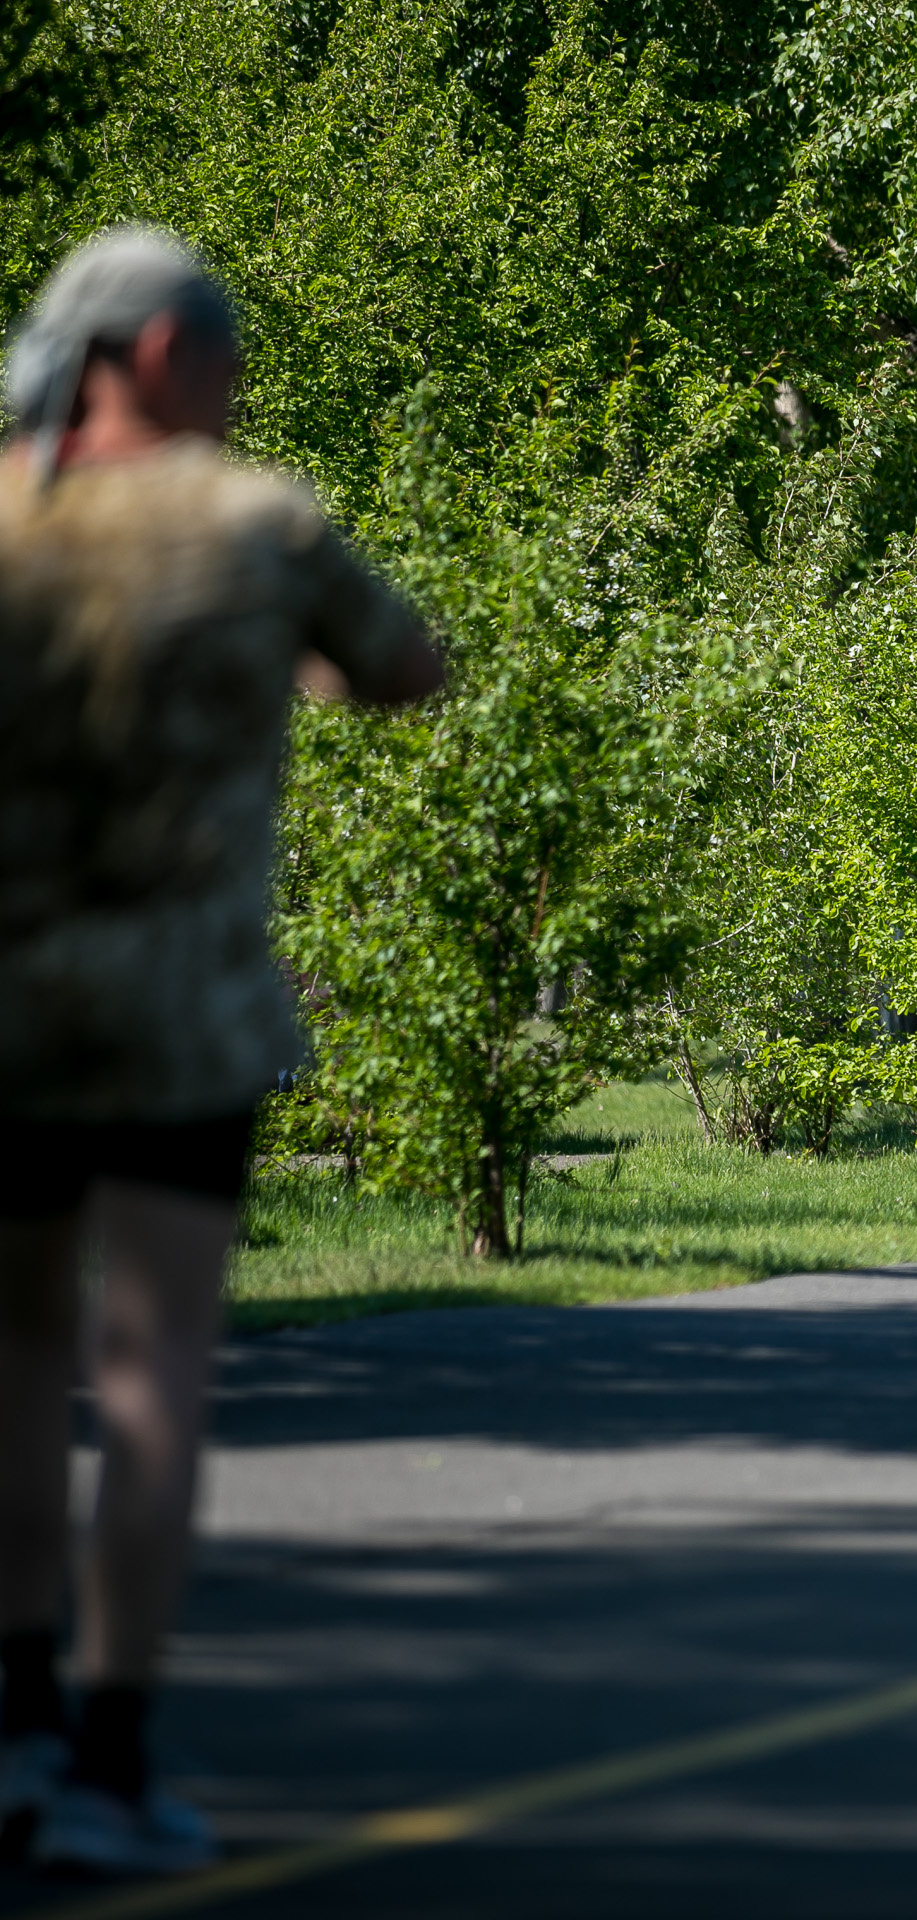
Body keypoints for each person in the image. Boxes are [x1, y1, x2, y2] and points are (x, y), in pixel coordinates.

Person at [0, 226, 444, 1877]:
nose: (241, 378)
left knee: (14, 1360)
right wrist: (300, 660)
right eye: (227, 348)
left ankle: (16, 1727)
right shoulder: (259, 522)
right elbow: (410, 668)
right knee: (152, 1371)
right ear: (157, 354)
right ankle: (114, 1753)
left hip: (11, 1008)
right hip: (182, 1010)